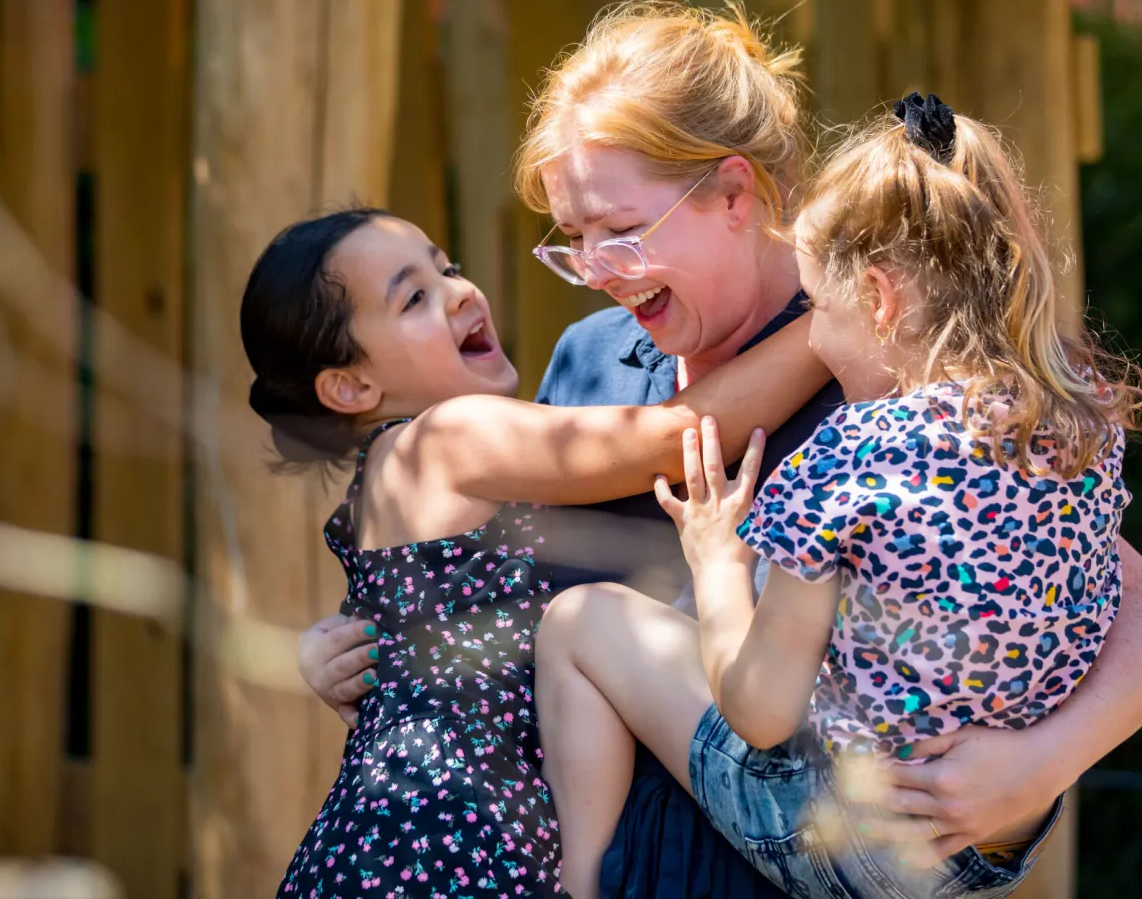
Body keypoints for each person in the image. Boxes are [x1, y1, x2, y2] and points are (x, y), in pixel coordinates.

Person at [297, 1, 1142, 899]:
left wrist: (1039, 765)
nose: (601, 268)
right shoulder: (589, 363)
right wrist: (367, 641)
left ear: (733, 193)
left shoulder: (883, 370)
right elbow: (515, 594)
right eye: (574, 243)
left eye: (621, 230)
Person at [537, 93, 1142, 899]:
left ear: (878, 298)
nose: (815, 344)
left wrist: (719, 560)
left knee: (581, 622)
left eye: (819, 312)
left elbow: (759, 712)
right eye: (572, 240)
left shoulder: (849, 457)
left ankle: (575, 885)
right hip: (972, 858)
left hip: (832, 833)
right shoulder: (1068, 431)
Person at [243, 207, 832, 898]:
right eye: (414, 298)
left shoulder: (401, 478)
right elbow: (676, 437)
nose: (460, 292)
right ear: (352, 387)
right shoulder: (445, 438)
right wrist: (839, 320)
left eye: (448, 268)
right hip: (440, 843)